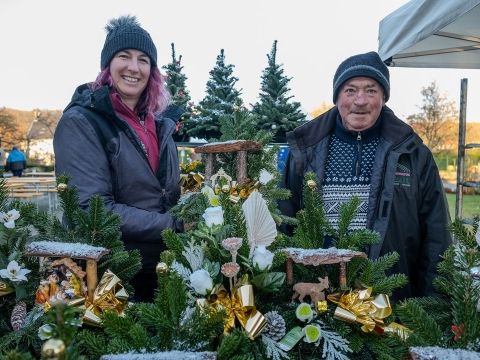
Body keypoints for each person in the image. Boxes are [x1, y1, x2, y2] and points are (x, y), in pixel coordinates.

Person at [279, 51, 451, 301]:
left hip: (392, 302)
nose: (360, 100)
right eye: (350, 90)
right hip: (317, 301)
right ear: (337, 96)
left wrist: (434, 305)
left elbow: (437, 236)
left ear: (383, 97)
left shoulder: (413, 153)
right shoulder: (305, 151)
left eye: (371, 90)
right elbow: (283, 222)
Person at [54, 15, 182, 302]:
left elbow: (165, 194)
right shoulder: (83, 122)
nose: (134, 68)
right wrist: (174, 225)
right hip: (108, 275)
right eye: (124, 56)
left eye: (143, 59)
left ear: (153, 70)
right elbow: (91, 209)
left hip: (164, 269)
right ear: (108, 65)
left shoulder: (159, 125)